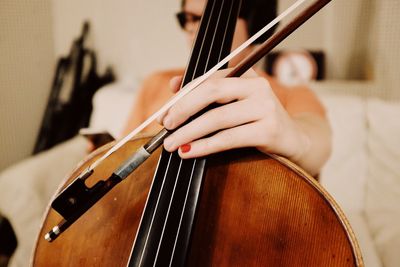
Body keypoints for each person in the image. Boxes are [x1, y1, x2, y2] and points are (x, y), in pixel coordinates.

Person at [122, 0, 331, 176]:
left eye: (210, 19)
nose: (195, 28)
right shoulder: (157, 82)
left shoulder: (291, 93)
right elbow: (122, 153)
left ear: (256, 25)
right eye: (188, 19)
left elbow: (318, 142)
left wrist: (296, 139)